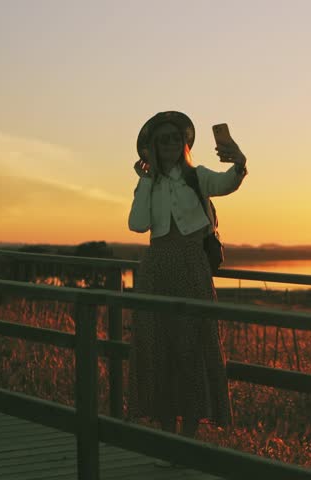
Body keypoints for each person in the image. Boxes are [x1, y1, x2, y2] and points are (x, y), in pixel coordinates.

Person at [127, 111, 248, 440]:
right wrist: (145, 180)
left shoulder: (198, 176)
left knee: (192, 349)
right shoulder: (150, 183)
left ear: (184, 143)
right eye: (162, 139)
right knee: (160, 349)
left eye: (176, 138)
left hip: (193, 267)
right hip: (157, 271)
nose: (169, 144)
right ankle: (168, 437)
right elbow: (137, 224)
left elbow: (227, 183)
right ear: (151, 146)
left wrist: (239, 164)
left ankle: (189, 438)